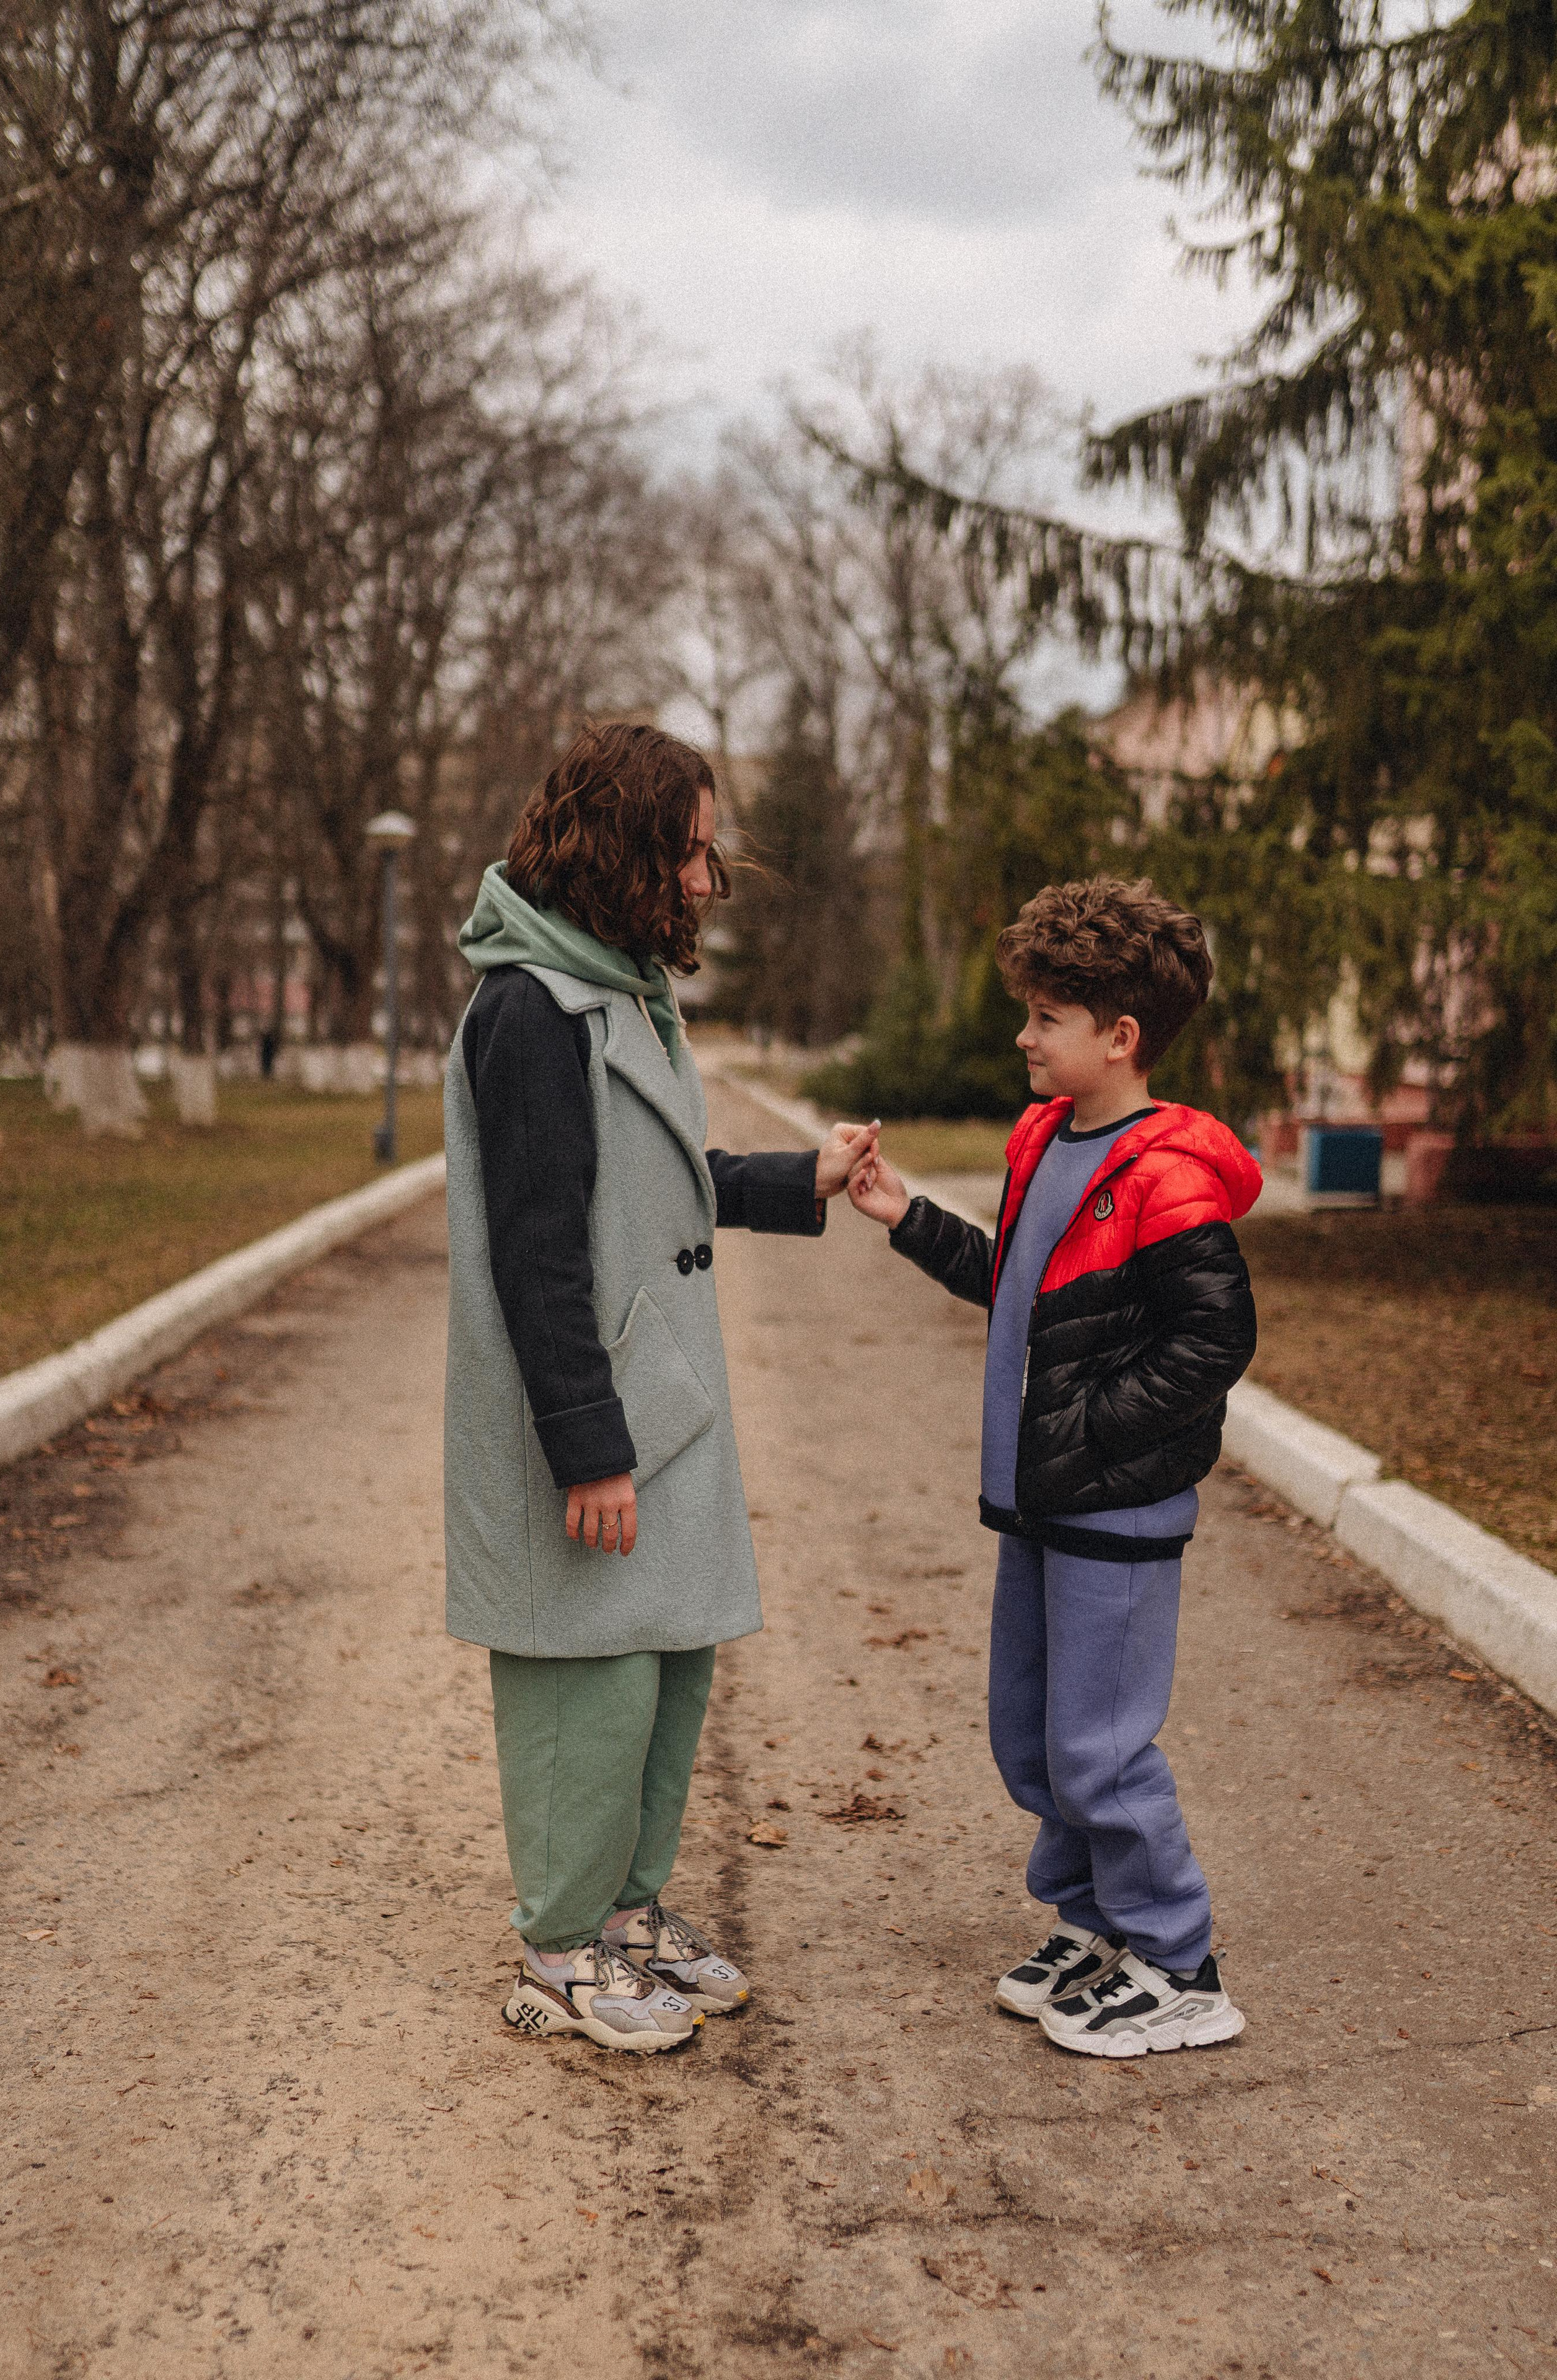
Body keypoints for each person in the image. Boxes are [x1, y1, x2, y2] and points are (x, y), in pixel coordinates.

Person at [444, 721, 875, 2055]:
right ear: (618, 849)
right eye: (686, 854)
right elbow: (535, 1254)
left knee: (661, 1673)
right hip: (597, 1417)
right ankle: (559, 1951)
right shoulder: (529, 1007)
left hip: (659, 1407)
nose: (703, 881)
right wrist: (587, 1446)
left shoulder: (617, 987)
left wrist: (789, 1179)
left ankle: (627, 1915)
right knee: (584, 1681)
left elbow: (657, 1178)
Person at [848, 876, 1261, 2057]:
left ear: (1119, 1038)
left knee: (1100, 1744)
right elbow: (1019, 1291)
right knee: (1029, 1733)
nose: (1023, 1036)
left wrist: (1097, 1434)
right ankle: (1100, 1924)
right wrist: (904, 1214)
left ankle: (1179, 1960)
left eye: (1045, 1017)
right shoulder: (1046, 1141)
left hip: (1116, 1509)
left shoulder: (1166, 1173)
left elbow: (1215, 1339)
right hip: (1040, 1504)